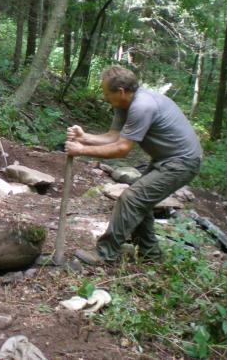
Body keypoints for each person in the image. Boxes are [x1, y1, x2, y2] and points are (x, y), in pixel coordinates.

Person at [66, 66, 202, 265]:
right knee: (140, 202)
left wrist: (80, 150)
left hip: (183, 162)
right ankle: (150, 255)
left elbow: (122, 149)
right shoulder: (123, 104)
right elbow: (113, 136)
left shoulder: (142, 106)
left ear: (120, 91)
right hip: (165, 159)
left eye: (106, 93)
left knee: (131, 199)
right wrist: (84, 137)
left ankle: (105, 254)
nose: (104, 97)